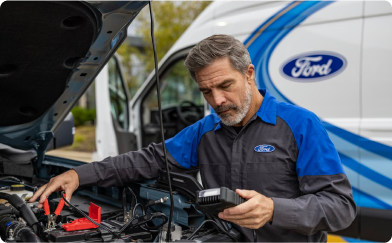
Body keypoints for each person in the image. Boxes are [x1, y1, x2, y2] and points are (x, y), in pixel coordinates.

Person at [30, 34, 356, 243]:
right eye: (205, 91)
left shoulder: (300, 125)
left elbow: (340, 208)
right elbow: (145, 160)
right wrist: (78, 174)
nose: (216, 101)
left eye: (225, 86)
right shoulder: (204, 131)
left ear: (249, 74)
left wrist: (274, 209)